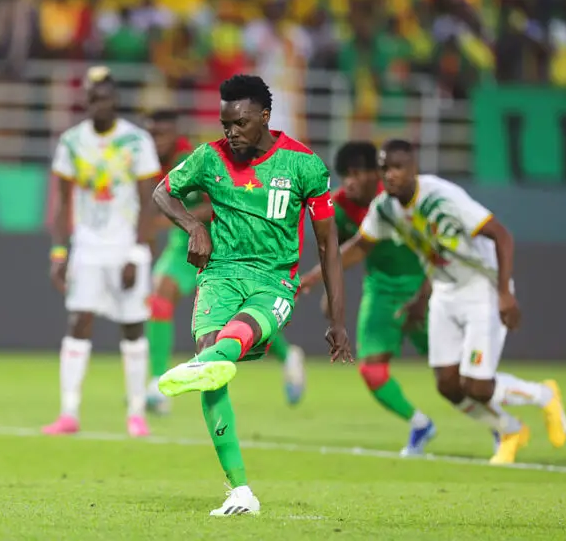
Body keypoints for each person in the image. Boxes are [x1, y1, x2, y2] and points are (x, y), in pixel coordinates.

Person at [151, 74, 353, 516]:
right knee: (215, 365)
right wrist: (194, 225)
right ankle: (240, 491)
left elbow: (328, 246)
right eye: (225, 124)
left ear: (264, 117)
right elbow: (162, 192)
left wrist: (337, 320)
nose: (231, 133)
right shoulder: (209, 157)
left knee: (226, 346)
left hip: (274, 281)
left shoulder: (304, 166)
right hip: (220, 275)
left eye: (240, 123)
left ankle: (198, 366)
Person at [342, 138, 566, 465]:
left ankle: (544, 394)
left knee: (477, 386)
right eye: (384, 169)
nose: (390, 175)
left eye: (397, 168)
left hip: (482, 290)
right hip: (445, 292)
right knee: (448, 385)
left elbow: (501, 235)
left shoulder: (442, 197)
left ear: (413, 169)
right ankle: (510, 429)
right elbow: (373, 246)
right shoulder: (386, 208)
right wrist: (423, 297)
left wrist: (504, 292)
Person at [145, 110, 307, 413]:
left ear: (176, 134)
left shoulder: (195, 159)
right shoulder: (152, 162)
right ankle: (156, 384)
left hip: (223, 243)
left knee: (238, 323)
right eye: (151, 134)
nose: (155, 141)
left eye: (161, 134)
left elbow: (226, 203)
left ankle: (287, 355)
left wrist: (181, 220)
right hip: (186, 243)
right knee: (159, 297)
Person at [43, 66, 161, 438]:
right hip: (87, 247)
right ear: (87, 102)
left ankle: (137, 413)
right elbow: (62, 202)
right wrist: (59, 253)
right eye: (93, 99)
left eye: (106, 98)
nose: (99, 104)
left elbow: (150, 202)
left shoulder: (137, 141)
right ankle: (69, 412)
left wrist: (138, 255)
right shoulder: (72, 142)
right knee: (78, 322)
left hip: (125, 244)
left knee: (132, 326)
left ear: (116, 101)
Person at [301, 141, 436, 456]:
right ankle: (419, 424)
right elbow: (344, 253)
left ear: (375, 173)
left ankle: (500, 425)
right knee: (371, 370)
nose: (349, 180)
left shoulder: (399, 198)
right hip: (381, 290)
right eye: (345, 174)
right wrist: (328, 292)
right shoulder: (338, 206)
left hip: (424, 289)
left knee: (454, 375)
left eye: (357, 173)